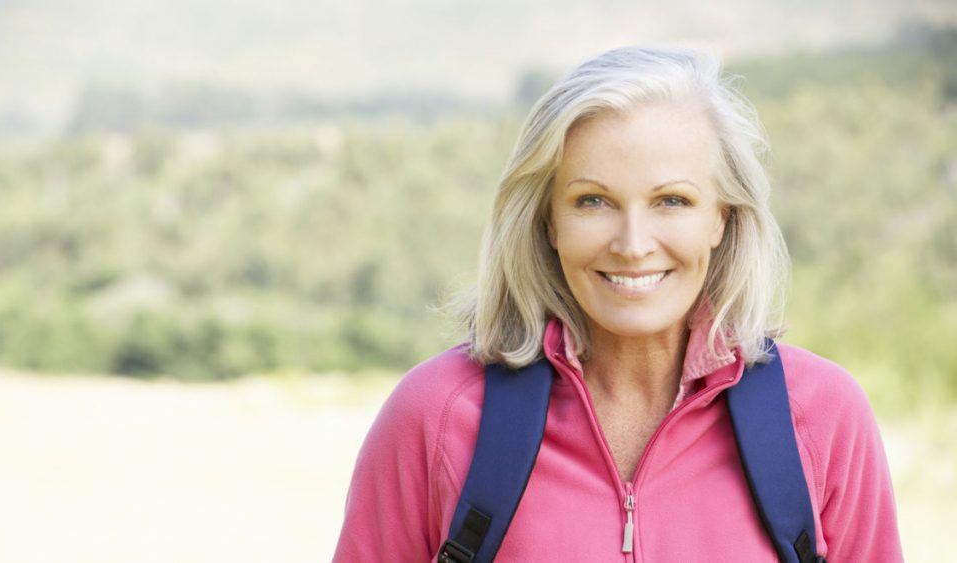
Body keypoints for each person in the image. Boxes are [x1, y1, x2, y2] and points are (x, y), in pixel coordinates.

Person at [333, 46, 902, 562]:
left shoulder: (822, 417)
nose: (632, 244)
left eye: (672, 200)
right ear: (549, 221)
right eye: (593, 201)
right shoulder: (436, 416)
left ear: (721, 218)